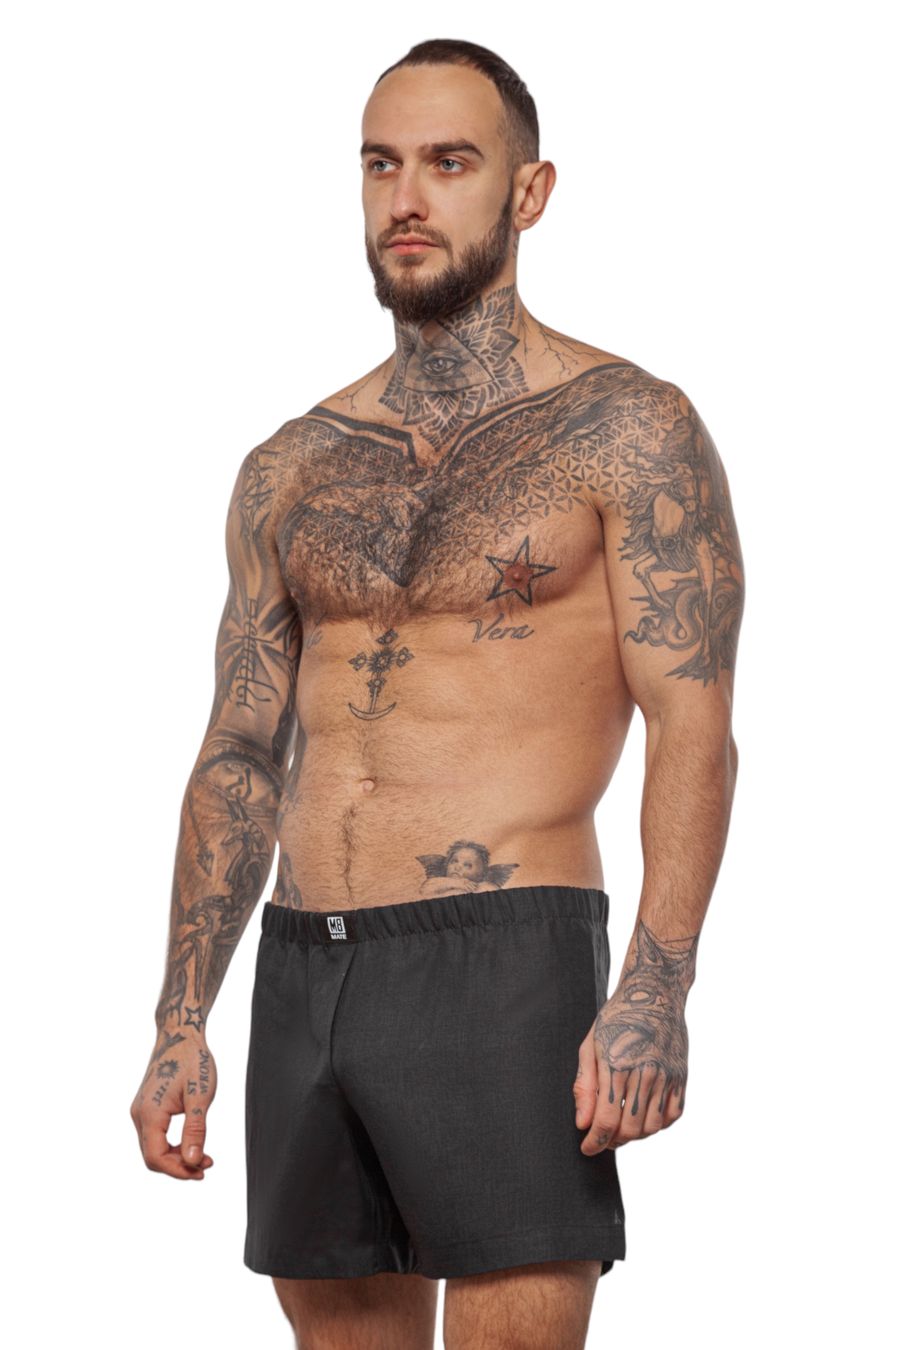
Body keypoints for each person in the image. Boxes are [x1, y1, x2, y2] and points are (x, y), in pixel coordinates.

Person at [130, 36, 744, 1350]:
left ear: (530, 192)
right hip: (305, 963)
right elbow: (239, 751)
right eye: (381, 164)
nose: (406, 198)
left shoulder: (626, 428)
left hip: (503, 950)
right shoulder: (291, 465)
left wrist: (656, 987)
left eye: (450, 163)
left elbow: (693, 722)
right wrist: (181, 1016)